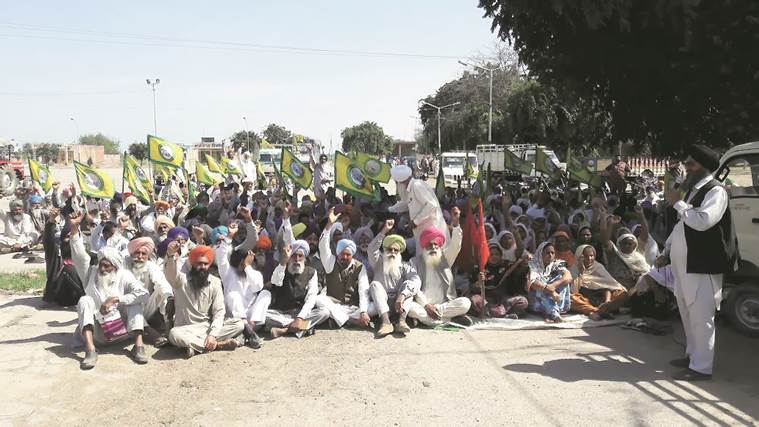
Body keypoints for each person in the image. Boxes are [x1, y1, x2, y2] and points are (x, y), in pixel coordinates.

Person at [663, 144, 737, 381]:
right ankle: (693, 355)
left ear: (703, 167)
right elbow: (681, 225)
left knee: (701, 317)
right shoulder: (693, 191)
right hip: (685, 267)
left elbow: (704, 221)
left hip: (703, 265)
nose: (686, 167)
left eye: (690, 164)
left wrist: (678, 203)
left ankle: (702, 368)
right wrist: (666, 250)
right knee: (687, 314)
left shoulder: (716, 191)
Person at [68, 211, 149, 369]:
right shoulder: (91, 273)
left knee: (135, 302)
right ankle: (90, 350)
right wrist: (74, 228)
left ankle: (138, 346)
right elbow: (79, 257)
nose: (102, 269)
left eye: (107, 266)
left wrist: (117, 299)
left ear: (115, 267)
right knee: (84, 300)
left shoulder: (124, 275)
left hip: (122, 331)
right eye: (101, 265)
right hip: (98, 332)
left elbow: (143, 294)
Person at [165, 244, 245, 358]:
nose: (202, 267)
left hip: (206, 327)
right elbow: (170, 274)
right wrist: (170, 255)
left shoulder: (215, 282)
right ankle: (217, 345)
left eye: (205, 264)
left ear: (209, 265)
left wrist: (212, 335)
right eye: (199, 263)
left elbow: (219, 311)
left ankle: (196, 346)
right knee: (174, 334)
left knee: (239, 324)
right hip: (186, 329)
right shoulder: (181, 281)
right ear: (193, 264)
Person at [407, 212, 471, 327]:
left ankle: (427, 319)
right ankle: (448, 318)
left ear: (439, 246)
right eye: (430, 245)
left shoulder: (446, 258)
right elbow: (414, 288)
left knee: (465, 303)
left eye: (436, 245)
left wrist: (456, 225)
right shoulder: (414, 262)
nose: (433, 247)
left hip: (444, 304)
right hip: (423, 305)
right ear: (424, 247)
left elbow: (456, 245)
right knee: (410, 307)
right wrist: (426, 306)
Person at [315, 209, 372, 328]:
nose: (345, 257)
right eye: (342, 254)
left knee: (374, 307)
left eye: (348, 254)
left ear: (352, 255)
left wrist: (363, 311)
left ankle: (336, 319)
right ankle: (351, 321)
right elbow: (323, 247)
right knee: (319, 299)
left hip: (353, 308)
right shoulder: (330, 262)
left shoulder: (359, 266)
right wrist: (329, 224)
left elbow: (363, 290)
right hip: (334, 305)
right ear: (338, 253)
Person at [367, 219, 421, 337]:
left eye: (395, 250)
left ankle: (401, 321)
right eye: (389, 249)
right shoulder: (378, 262)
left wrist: (402, 295)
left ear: (399, 252)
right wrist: (384, 231)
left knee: (409, 286)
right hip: (380, 304)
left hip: (399, 304)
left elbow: (416, 280)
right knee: (375, 285)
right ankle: (386, 322)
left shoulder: (405, 266)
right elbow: (371, 249)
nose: (392, 252)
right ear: (384, 250)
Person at [266, 240, 329, 338]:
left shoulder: (311, 272)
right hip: (281, 313)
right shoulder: (282, 268)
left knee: (324, 312)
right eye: (294, 256)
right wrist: (283, 261)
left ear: (305, 258)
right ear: (290, 257)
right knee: (263, 315)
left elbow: (311, 297)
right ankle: (302, 328)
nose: (297, 259)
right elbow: (275, 281)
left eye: (300, 256)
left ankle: (285, 330)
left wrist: (300, 317)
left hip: (301, 312)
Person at [125, 237, 174, 346]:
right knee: (132, 303)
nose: (140, 257)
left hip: (146, 308)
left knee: (164, 294)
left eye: (143, 254)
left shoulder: (151, 266)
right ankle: (152, 333)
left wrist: (169, 298)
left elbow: (161, 282)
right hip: (125, 310)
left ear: (148, 256)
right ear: (131, 253)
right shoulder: (124, 265)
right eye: (137, 253)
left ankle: (169, 328)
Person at [388, 164, 448, 250]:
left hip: (432, 232)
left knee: (433, 254)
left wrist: (415, 222)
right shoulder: (410, 189)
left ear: (401, 182)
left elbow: (431, 205)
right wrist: (389, 210)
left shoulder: (416, 186)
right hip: (423, 233)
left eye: (396, 183)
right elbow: (405, 203)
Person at [222, 247, 269, 349]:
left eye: (245, 263)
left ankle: (247, 332)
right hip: (236, 318)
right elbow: (222, 257)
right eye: (241, 263)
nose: (242, 266)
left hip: (253, 319)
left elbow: (258, 286)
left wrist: (247, 266)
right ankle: (249, 332)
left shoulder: (254, 273)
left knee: (265, 294)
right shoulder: (230, 272)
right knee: (233, 295)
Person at [469, 243, 529, 319]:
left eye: (497, 254)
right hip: (486, 301)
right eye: (491, 255)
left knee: (523, 301)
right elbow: (472, 288)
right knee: (474, 299)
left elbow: (518, 273)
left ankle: (494, 314)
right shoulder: (480, 268)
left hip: (503, 301)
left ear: (501, 256)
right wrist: (478, 283)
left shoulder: (507, 266)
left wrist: (524, 264)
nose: (494, 257)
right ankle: (501, 315)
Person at [569, 245, 628, 320]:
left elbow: (609, 285)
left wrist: (607, 302)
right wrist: (581, 271)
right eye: (585, 256)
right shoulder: (574, 269)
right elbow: (574, 291)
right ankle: (597, 311)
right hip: (585, 298)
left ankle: (604, 308)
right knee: (571, 299)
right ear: (579, 257)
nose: (589, 259)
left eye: (591, 256)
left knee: (622, 293)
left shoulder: (598, 267)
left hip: (602, 298)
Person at [41, 207, 84, 307]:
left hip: (80, 297)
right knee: (69, 269)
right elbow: (48, 240)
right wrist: (51, 220)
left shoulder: (83, 252)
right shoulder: (56, 254)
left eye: (72, 236)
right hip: (61, 295)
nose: (70, 240)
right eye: (67, 237)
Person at [527, 242, 572, 323]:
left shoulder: (556, 264)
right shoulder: (533, 265)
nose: (550, 255)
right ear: (541, 253)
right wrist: (551, 291)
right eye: (547, 253)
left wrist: (553, 286)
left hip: (553, 296)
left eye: (552, 253)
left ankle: (551, 312)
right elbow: (533, 283)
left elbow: (568, 277)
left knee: (562, 279)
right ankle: (553, 313)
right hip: (536, 301)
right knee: (540, 282)